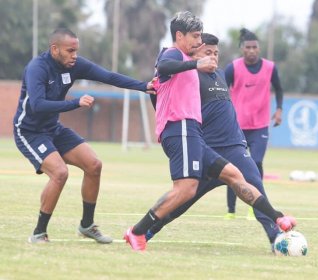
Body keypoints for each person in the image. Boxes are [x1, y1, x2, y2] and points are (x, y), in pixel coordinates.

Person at [124, 12, 295, 252]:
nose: (213, 57)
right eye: (207, 51)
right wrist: (168, 121)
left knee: (253, 182)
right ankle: (145, 232)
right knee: (184, 197)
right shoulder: (186, 71)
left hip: (234, 146)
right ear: (194, 51)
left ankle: (276, 235)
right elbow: (162, 84)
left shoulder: (220, 74)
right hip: (204, 147)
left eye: (216, 53)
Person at [13, 28, 153, 243]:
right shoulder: (37, 68)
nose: (74, 55)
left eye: (76, 50)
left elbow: (109, 76)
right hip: (29, 131)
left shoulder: (75, 65)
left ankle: (86, 226)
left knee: (94, 165)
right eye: (70, 50)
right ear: (54, 49)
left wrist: (144, 86)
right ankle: (39, 232)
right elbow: (38, 105)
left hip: (53, 128)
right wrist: (75, 103)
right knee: (60, 173)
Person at [224, 28, 284, 218]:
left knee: (256, 162)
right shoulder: (233, 68)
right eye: (248, 47)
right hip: (237, 127)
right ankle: (231, 210)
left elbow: (279, 89)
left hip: (259, 126)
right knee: (233, 167)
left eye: (255, 47)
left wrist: (279, 109)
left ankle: (255, 205)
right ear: (242, 48)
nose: (251, 50)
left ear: (259, 49)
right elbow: (220, 90)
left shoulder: (270, 67)